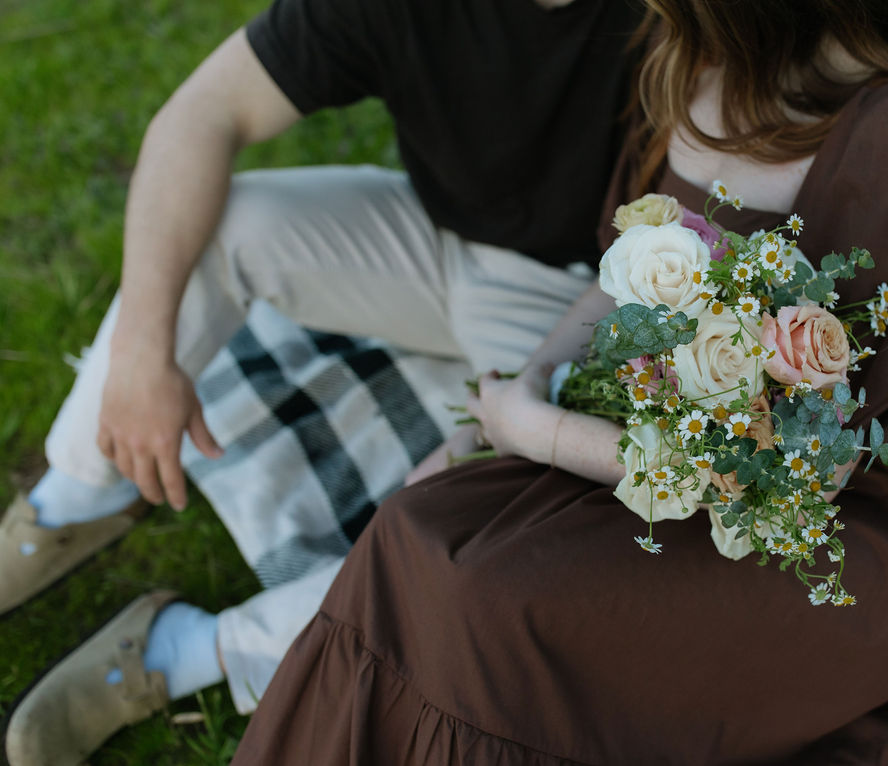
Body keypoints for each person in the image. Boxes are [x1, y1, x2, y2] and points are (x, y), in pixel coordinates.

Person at [228, 0, 888, 763]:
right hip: (677, 447)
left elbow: (800, 480)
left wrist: (535, 433)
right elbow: (627, 278)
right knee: (416, 522)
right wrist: (521, 390)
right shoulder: (693, 64)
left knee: (488, 598)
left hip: (847, 533)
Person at [1, 1, 652, 763]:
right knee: (223, 225)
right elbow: (203, 112)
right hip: (432, 232)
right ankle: (72, 498)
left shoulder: (674, 19)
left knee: (514, 517)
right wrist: (143, 354)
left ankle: (188, 649)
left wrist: (502, 428)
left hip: (590, 297)